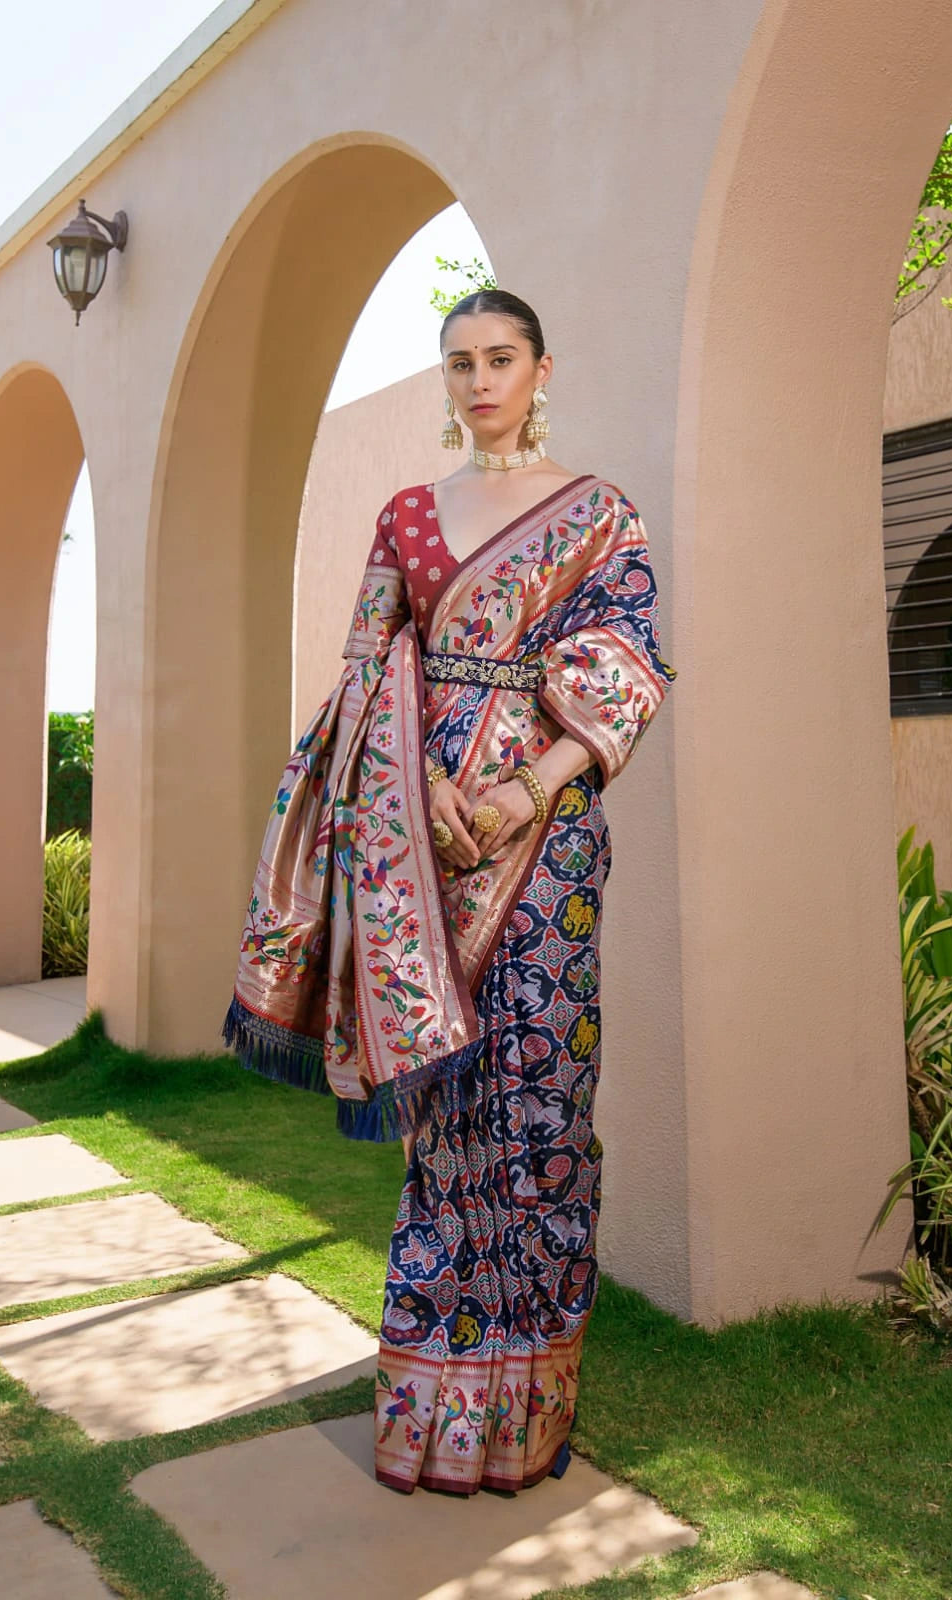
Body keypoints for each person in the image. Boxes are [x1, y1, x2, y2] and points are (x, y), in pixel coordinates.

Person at [222, 288, 676, 1495]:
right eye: (460, 362)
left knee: (543, 1104)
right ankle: (435, 1408)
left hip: (546, 847)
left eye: (500, 359)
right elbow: (367, 667)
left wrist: (527, 790)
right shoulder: (408, 515)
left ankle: (528, 1410)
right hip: (416, 847)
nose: (479, 382)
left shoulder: (598, 515)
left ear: (541, 370)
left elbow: (628, 668)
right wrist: (418, 782)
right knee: (449, 1115)